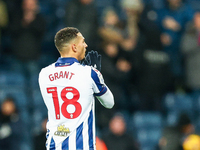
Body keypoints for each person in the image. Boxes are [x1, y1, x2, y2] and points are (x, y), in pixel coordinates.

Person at [38, 27, 114, 150]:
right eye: (83, 42)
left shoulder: (44, 74)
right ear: (74, 47)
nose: (86, 45)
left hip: (54, 145)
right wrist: (98, 76)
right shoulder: (90, 73)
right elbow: (109, 103)